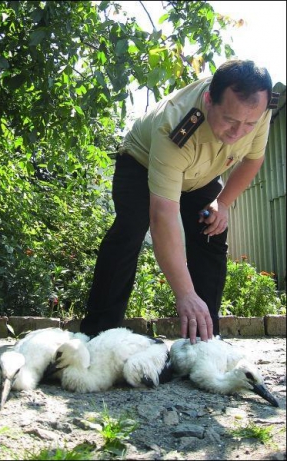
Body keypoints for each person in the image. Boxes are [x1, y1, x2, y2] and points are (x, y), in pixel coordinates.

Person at [80, 59, 277, 344]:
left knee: (211, 231)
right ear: (209, 100)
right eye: (230, 120)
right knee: (130, 232)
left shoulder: (259, 110)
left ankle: (205, 340)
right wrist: (184, 294)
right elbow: (164, 216)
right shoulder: (176, 125)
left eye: (249, 123)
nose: (238, 132)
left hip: (203, 173)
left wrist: (222, 204)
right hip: (142, 163)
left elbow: (252, 159)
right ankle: (97, 334)